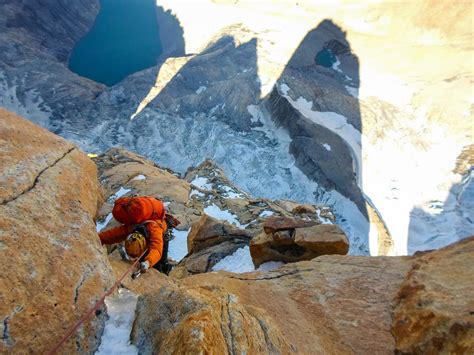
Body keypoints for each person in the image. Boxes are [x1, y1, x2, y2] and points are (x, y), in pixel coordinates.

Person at [98, 196, 173, 275]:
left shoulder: (154, 228)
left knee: (160, 265)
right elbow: (116, 234)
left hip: (162, 236)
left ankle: (164, 268)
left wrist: (148, 262)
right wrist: (100, 238)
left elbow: (157, 248)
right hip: (145, 236)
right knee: (144, 258)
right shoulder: (134, 225)